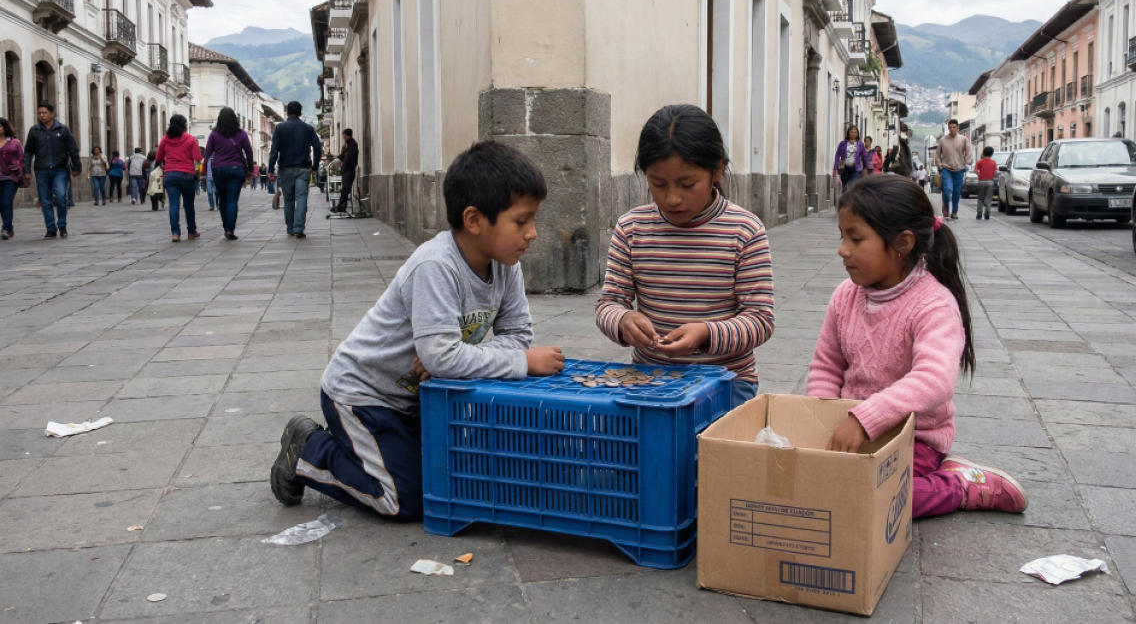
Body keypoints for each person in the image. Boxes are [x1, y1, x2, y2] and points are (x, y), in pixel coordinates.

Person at [269, 140, 565, 517]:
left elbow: (516, 336)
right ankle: (308, 451)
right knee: (404, 499)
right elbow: (456, 356)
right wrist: (519, 362)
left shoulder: (506, 263)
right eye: (521, 221)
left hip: (417, 401)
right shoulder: (436, 266)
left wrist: (455, 358)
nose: (532, 233)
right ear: (475, 220)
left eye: (532, 220)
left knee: (453, 477)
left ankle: (377, 453)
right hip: (363, 395)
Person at [806, 174, 1027, 517]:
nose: (842, 249)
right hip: (854, 427)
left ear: (903, 243)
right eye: (842, 236)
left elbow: (934, 379)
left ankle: (962, 485)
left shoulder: (933, 305)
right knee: (812, 486)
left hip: (916, 439)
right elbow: (826, 367)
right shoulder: (844, 298)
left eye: (856, 238)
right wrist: (820, 420)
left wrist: (866, 419)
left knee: (871, 499)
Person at [595, 104, 775, 407]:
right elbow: (609, 303)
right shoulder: (631, 228)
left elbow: (760, 320)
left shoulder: (744, 230)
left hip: (726, 381)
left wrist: (707, 334)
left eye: (687, 184)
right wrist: (624, 319)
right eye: (658, 184)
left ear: (717, 169)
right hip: (651, 379)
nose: (672, 198)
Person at [23, 102, 80, 239]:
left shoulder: (63, 129)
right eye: (39, 113)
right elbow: (28, 151)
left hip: (60, 169)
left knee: (61, 196)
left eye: (44, 113)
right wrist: (26, 169)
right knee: (45, 200)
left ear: (52, 114)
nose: (41, 115)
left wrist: (77, 166)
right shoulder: (34, 131)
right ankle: (50, 227)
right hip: (41, 169)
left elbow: (72, 148)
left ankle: (62, 224)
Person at [268, 101, 322, 239]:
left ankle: (290, 228)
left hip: (285, 168)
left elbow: (274, 150)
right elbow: (317, 148)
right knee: (302, 197)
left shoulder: (280, 128)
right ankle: (299, 227)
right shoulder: (308, 128)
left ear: (287, 112)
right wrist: (315, 166)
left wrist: (270, 169)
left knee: (289, 199)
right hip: (303, 168)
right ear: (300, 112)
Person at [205, 108, 255, 240]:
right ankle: (230, 229)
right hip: (236, 169)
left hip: (218, 169)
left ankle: (225, 226)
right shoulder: (242, 134)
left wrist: (205, 170)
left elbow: (207, 154)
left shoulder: (214, 134)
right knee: (232, 199)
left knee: (222, 200)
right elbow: (249, 153)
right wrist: (250, 169)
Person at [156, 115, 202, 242]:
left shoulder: (165, 140)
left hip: (170, 174)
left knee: (174, 204)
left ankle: (175, 233)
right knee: (188, 204)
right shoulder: (190, 139)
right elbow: (198, 157)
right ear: (185, 125)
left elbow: (159, 158)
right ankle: (191, 231)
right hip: (187, 174)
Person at [934, 119, 972, 220]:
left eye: (954, 127)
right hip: (946, 168)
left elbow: (968, 152)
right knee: (947, 190)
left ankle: (954, 211)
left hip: (959, 169)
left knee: (956, 192)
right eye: (950, 127)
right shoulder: (943, 140)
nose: (952, 129)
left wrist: (967, 164)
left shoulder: (963, 139)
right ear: (948, 128)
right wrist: (940, 166)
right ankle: (945, 207)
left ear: (958, 128)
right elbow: (937, 155)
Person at [0, 118, 26, 240]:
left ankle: (5, 228)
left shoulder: (14, 142)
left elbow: (22, 159)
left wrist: (24, 173)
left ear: (5, 128)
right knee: (1, 204)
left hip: (11, 177)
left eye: (0, 126)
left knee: (6, 202)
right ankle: (9, 228)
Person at [336, 129, 359, 213]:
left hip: (349, 170)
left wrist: (345, 167)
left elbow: (349, 157)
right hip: (346, 170)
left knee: (345, 189)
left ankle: (340, 207)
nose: (343, 136)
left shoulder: (352, 144)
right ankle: (341, 207)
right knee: (345, 189)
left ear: (347, 135)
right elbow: (343, 156)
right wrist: (335, 158)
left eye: (343, 134)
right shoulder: (347, 144)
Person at [973, 146, 998, 221]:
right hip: (990, 181)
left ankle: (979, 213)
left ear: (983, 153)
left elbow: (976, 170)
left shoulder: (979, 162)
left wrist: (978, 174)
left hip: (981, 181)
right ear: (992, 154)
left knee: (980, 198)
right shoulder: (993, 162)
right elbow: (995, 172)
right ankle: (987, 211)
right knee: (988, 198)